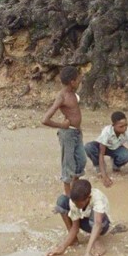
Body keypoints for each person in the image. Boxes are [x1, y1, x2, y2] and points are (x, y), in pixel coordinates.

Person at [46, 178, 110, 256]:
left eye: (79, 203)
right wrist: (62, 247)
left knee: (95, 215)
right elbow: (75, 227)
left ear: (88, 197)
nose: (76, 205)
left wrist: (86, 254)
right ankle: (73, 240)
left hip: (102, 224)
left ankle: (96, 240)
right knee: (62, 201)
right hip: (87, 221)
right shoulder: (74, 201)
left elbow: (97, 224)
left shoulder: (97, 198)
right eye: (75, 203)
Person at [41, 65, 85, 196]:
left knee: (81, 160)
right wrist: (61, 125)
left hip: (77, 133)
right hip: (68, 134)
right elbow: (45, 119)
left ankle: (75, 189)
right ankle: (68, 196)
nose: (79, 81)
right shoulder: (62, 97)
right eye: (78, 79)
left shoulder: (73, 94)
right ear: (72, 82)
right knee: (68, 164)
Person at [85, 111, 128, 187]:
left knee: (127, 155)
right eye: (121, 126)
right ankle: (99, 167)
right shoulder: (107, 131)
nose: (124, 128)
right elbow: (101, 153)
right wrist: (105, 177)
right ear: (113, 125)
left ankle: (116, 165)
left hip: (116, 148)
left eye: (126, 125)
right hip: (102, 147)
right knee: (88, 147)